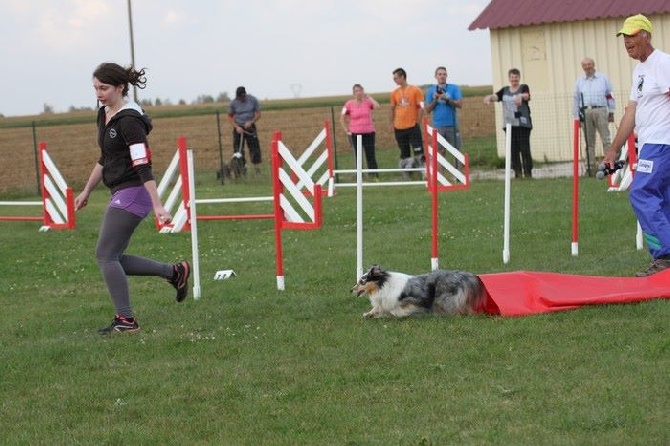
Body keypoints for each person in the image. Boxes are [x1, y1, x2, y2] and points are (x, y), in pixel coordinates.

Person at [75, 63, 190, 335]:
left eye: (104, 88)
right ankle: (174, 272)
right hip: (120, 190)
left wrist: (158, 204)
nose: (98, 93)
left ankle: (126, 321)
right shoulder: (104, 114)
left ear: (120, 87)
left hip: (135, 190)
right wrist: (86, 190)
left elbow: (142, 165)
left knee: (105, 255)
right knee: (113, 256)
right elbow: (106, 158)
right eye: (95, 88)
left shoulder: (129, 121)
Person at [603, 14, 670, 276]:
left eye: (632, 35)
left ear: (647, 36)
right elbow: (631, 112)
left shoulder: (663, 63)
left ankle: (664, 256)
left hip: (661, 142)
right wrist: (613, 149)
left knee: (641, 192)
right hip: (651, 143)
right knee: (662, 199)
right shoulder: (639, 71)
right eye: (624, 37)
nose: (627, 41)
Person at [484, 68, 533, 178]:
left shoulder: (523, 87)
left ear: (519, 78)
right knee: (513, 150)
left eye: (516, 77)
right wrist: (489, 98)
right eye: (512, 77)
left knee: (524, 148)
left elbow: (527, 95)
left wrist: (520, 96)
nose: (514, 79)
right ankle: (517, 173)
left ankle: (528, 172)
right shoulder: (505, 90)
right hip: (509, 125)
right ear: (509, 78)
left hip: (522, 124)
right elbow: (496, 96)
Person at [573, 57, 616, 176]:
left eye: (589, 64)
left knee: (606, 139)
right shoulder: (579, 81)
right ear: (582, 67)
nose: (587, 67)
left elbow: (609, 95)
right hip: (586, 112)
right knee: (589, 142)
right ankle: (590, 168)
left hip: (601, 110)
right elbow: (576, 99)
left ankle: (609, 166)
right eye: (585, 65)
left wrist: (611, 111)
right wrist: (576, 117)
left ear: (593, 65)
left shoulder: (603, 78)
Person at [389, 67, 424, 178]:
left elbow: (421, 107)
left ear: (402, 77)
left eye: (396, 77)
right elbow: (392, 108)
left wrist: (418, 122)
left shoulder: (415, 90)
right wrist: (391, 123)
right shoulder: (394, 93)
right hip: (399, 127)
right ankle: (408, 175)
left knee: (418, 150)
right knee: (404, 152)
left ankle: (423, 172)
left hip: (412, 126)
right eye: (393, 78)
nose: (394, 80)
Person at [340, 84, 380, 178]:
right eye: (356, 91)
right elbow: (342, 118)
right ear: (353, 93)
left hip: (369, 132)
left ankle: (374, 175)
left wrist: (369, 97)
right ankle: (359, 176)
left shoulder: (367, 102)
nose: (358, 92)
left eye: (360, 90)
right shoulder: (349, 104)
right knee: (358, 156)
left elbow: (377, 106)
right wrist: (347, 131)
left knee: (371, 155)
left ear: (363, 91)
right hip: (355, 133)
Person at [425, 66, 463, 157]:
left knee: (456, 152)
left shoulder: (454, 88)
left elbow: (460, 104)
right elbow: (427, 110)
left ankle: (457, 171)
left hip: (452, 125)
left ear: (446, 76)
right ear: (436, 76)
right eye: (440, 74)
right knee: (440, 153)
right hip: (438, 126)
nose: (442, 76)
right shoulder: (431, 90)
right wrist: (435, 99)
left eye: (444, 74)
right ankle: (440, 172)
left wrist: (447, 99)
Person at [227, 86, 262, 176]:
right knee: (238, 150)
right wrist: (236, 127)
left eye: (242, 97)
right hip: (238, 129)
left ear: (245, 95)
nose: (241, 99)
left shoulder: (253, 100)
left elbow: (258, 114)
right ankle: (240, 171)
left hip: (250, 128)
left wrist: (251, 121)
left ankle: (257, 170)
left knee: (254, 148)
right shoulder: (233, 103)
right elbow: (229, 117)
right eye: (239, 97)